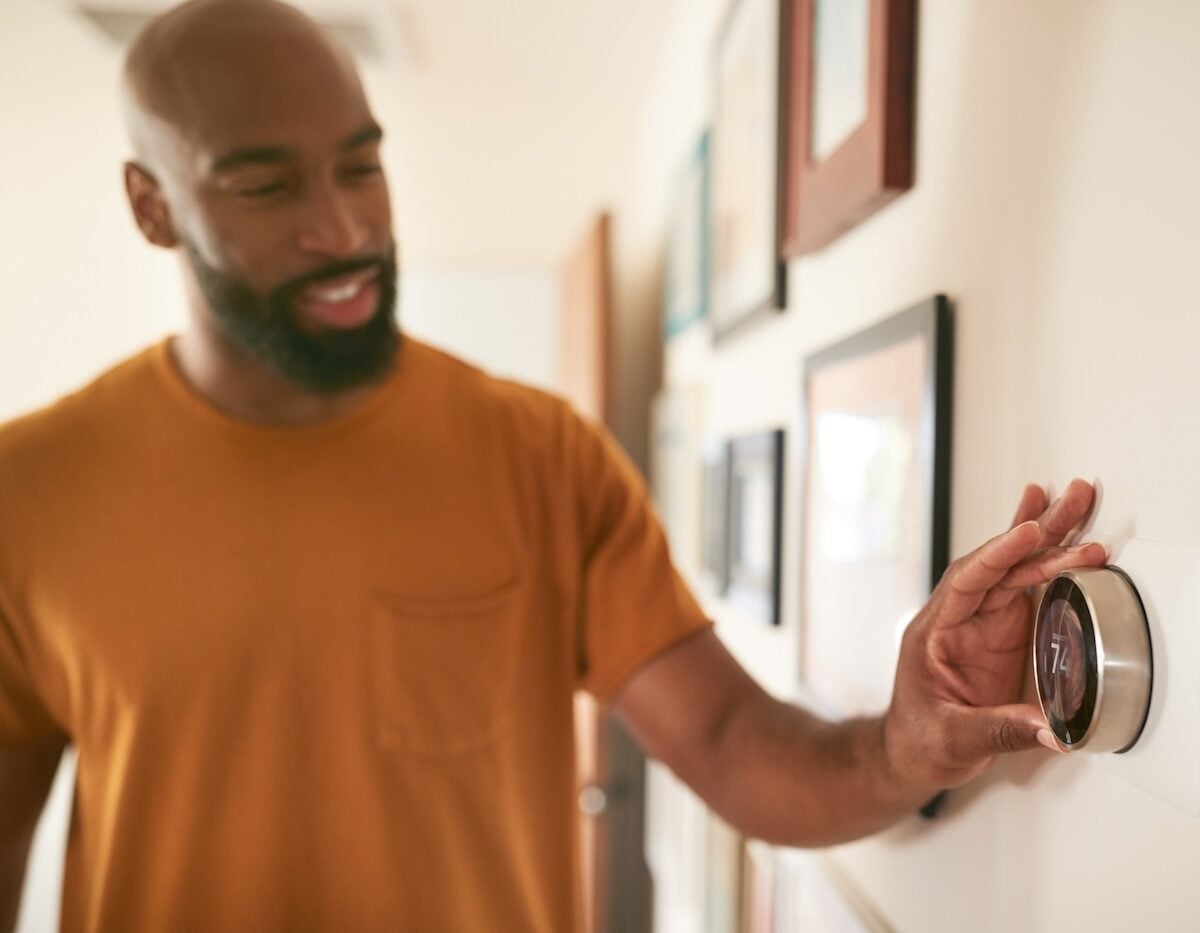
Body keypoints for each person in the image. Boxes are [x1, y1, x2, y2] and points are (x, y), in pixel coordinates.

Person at [0, 1, 1106, 930]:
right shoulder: (28, 493)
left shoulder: (541, 454)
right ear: (152, 206)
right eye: (264, 187)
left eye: (362, 165)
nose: (341, 229)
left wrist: (904, 746)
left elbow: (727, 741)